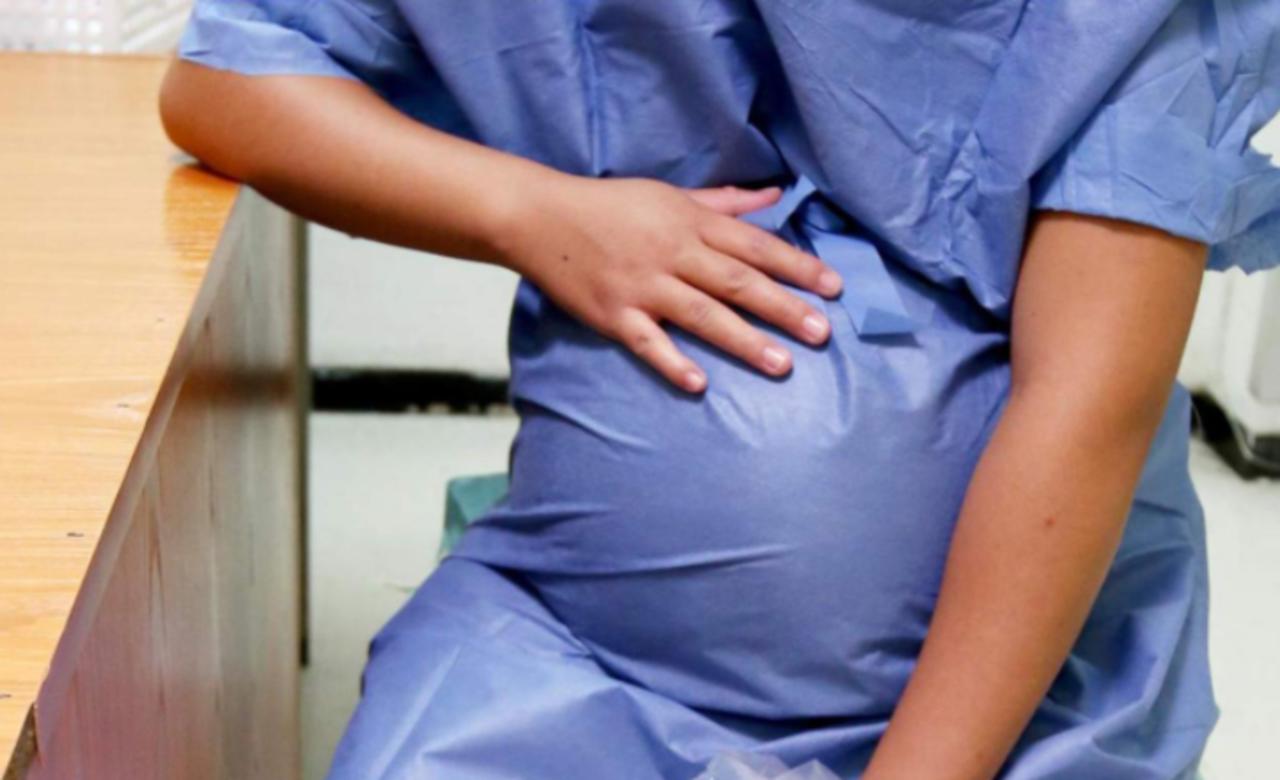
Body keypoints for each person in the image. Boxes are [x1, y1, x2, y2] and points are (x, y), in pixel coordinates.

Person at [161, 2, 1280, 778]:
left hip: (1012, 710)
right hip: (571, 652)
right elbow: (221, 81)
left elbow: (1086, 403)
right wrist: (531, 212)